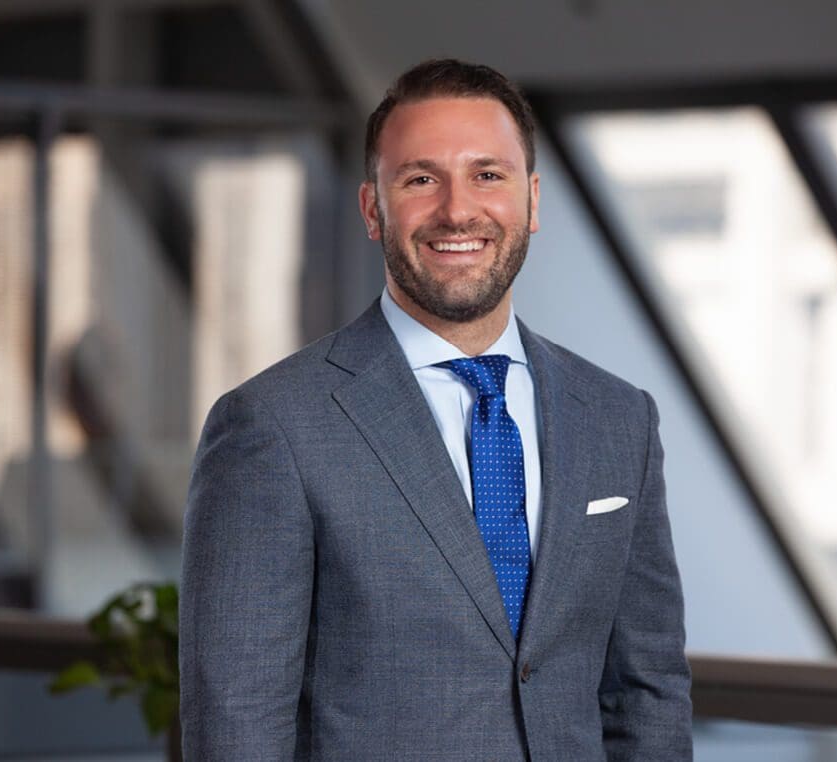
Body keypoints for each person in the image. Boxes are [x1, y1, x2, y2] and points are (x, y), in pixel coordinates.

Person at [179, 58, 692, 760]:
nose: (458, 209)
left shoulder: (618, 418)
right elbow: (236, 717)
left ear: (533, 201)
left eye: (488, 175)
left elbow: (649, 687)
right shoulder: (273, 426)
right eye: (421, 179)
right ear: (371, 209)